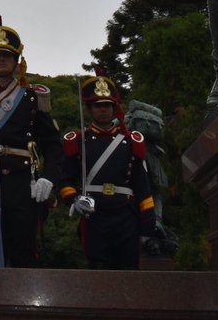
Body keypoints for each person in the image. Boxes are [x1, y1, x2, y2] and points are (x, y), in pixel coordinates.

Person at [0, 17, 62, 267]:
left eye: (7, 55)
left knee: (23, 251)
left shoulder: (32, 98)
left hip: (22, 184)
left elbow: (53, 145)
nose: (2, 59)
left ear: (17, 60)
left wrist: (49, 177)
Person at [58, 74, 155, 269]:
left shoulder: (130, 142)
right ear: (89, 109)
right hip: (94, 215)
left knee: (128, 269)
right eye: (97, 105)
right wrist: (74, 199)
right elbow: (64, 181)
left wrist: (147, 228)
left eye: (107, 105)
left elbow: (143, 189)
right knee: (98, 269)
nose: (103, 110)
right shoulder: (78, 141)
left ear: (114, 108)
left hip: (125, 215)